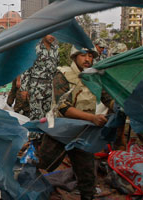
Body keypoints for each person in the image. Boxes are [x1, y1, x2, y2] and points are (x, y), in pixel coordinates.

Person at [38, 46, 113, 200]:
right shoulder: (63, 75)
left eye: (90, 56)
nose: (88, 59)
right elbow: (63, 107)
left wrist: (118, 104)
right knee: (44, 164)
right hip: (60, 130)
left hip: (83, 131)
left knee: (86, 173)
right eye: (83, 55)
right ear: (74, 57)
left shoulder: (94, 77)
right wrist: (92, 118)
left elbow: (107, 98)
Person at [21, 35, 59, 120]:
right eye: (50, 33)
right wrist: (24, 88)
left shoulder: (55, 49)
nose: (52, 36)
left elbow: (56, 66)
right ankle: (34, 133)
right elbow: (26, 68)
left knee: (48, 115)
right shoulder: (35, 48)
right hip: (36, 87)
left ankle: (44, 133)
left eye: (54, 34)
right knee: (36, 115)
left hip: (50, 87)